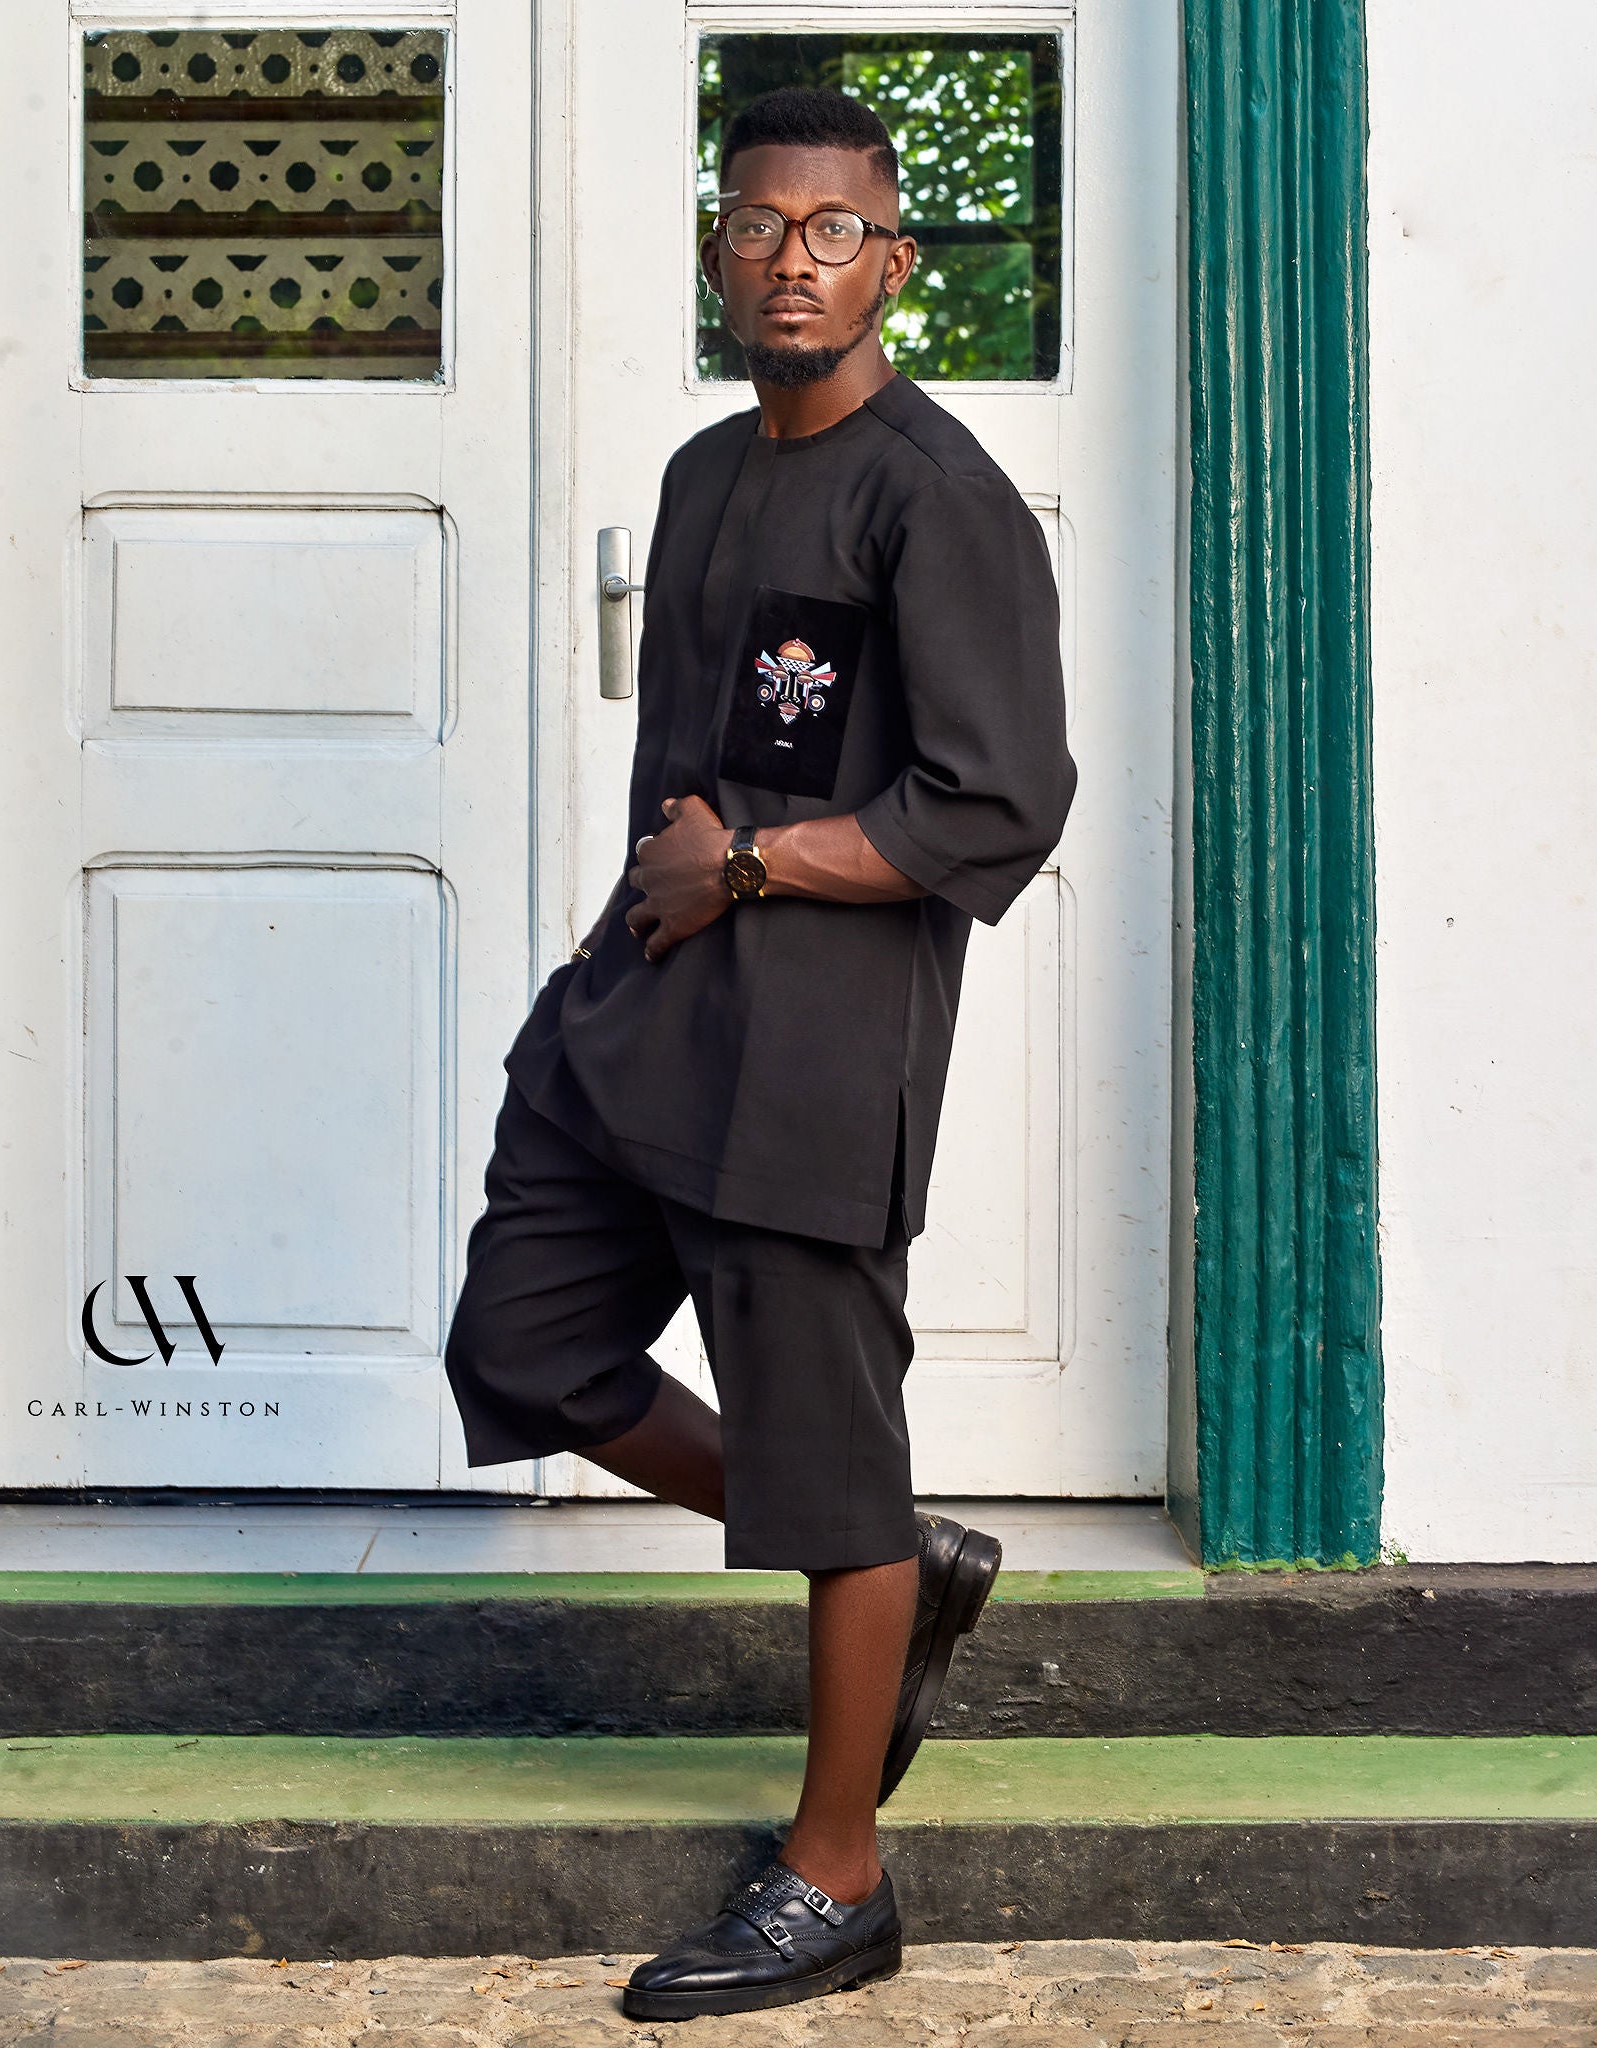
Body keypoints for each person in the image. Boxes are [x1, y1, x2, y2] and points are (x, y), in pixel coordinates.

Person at [443, 84, 1076, 2020]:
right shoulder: (706, 473)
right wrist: (610, 944)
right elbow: (693, 769)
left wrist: (751, 866)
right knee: (523, 1345)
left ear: (892, 262)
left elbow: (997, 800)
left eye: (832, 231)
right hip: (645, 1014)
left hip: (813, 1057)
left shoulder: (939, 498)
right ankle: (893, 1556)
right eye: (756, 226)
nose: (792, 262)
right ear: (717, 251)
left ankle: (837, 1875)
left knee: (826, 1451)